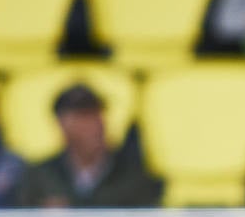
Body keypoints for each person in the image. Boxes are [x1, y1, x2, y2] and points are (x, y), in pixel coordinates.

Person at [15, 83, 161, 208]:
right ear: (62, 125)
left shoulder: (134, 175)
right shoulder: (40, 175)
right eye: (83, 117)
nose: (95, 125)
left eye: (97, 115)